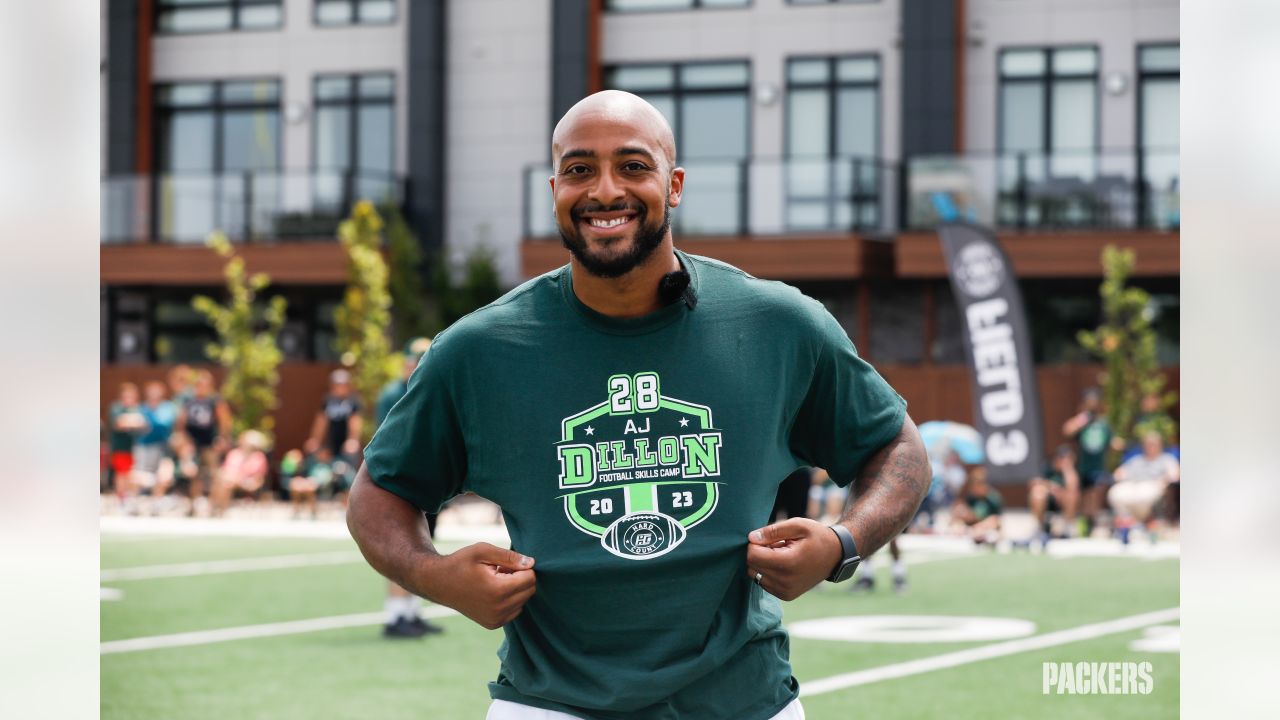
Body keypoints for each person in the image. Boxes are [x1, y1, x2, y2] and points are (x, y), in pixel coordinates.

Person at [346, 90, 931, 720]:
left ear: (673, 184)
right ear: (554, 191)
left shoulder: (777, 324)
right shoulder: (479, 350)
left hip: (746, 702)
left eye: (632, 166)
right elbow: (379, 494)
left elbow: (897, 449)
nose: (603, 191)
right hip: (551, 704)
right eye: (578, 170)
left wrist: (842, 543)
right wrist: (433, 577)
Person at [375, 338, 443, 639]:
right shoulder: (395, 393)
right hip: (404, 481)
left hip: (424, 480)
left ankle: (410, 611)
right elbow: (392, 440)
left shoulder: (422, 389)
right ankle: (395, 615)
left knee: (422, 547)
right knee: (403, 548)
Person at [1108, 431, 1180, 544]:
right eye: (1147, 444)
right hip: (1132, 485)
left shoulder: (1167, 459)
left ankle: (1141, 522)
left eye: (1152, 444)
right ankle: (1126, 524)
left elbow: (1175, 474)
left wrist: (1164, 480)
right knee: (1116, 493)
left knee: (1143, 494)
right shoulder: (1137, 459)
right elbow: (1121, 472)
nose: (1149, 447)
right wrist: (1119, 475)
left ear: (1160, 445)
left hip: (1153, 485)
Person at [175, 370, 232, 509]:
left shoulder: (214, 400)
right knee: (194, 473)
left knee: (214, 474)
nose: (201, 386)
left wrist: (222, 438)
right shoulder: (188, 399)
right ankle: (193, 504)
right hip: (193, 441)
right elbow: (181, 421)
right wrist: (183, 438)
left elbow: (224, 420)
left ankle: (214, 505)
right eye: (199, 384)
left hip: (210, 441)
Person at [1061, 388, 1114, 536]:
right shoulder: (1081, 422)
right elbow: (1067, 431)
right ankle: (1080, 523)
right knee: (1080, 495)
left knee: (1094, 494)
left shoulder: (1104, 424)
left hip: (1098, 466)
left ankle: (1091, 522)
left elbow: (1110, 443)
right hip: (1082, 466)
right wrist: (1081, 419)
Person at [132, 381, 178, 504]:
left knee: (164, 475)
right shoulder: (142, 407)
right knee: (139, 475)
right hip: (143, 446)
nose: (153, 395)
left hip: (162, 446)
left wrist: (146, 422)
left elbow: (164, 423)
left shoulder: (167, 407)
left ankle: (157, 502)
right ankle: (136, 503)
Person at [306, 369, 363, 461]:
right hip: (332, 442)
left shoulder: (353, 401)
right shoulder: (328, 401)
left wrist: (353, 439)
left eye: (342, 385)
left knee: (349, 459)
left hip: (346, 444)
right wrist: (315, 440)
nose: (340, 387)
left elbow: (355, 422)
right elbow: (321, 422)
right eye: (337, 384)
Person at [210, 430, 270, 516]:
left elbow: (259, 477)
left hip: (249, 482)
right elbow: (227, 469)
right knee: (223, 480)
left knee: (224, 482)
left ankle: (219, 509)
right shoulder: (234, 453)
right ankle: (219, 508)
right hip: (232, 480)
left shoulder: (259, 457)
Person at [1028, 444, 1080, 540]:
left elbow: (1073, 487)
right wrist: (1050, 487)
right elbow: (1034, 482)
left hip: (1064, 503)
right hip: (1048, 501)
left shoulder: (1073, 470)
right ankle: (1040, 527)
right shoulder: (1046, 467)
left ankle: (1068, 527)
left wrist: (1067, 470)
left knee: (1072, 495)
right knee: (1037, 493)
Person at [106, 382, 145, 502]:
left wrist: (131, 421)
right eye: (126, 396)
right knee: (121, 473)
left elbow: (143, 424)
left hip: (135, 448)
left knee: (132, 474)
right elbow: (118, 423)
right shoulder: (116, 408)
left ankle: (129, 498)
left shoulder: (136, 409)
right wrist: (133, 421)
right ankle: (120, 498)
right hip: (120, 448)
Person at [950, 466, 1003, 545]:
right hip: (971, 526)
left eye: (980, 484)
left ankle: (974, 533)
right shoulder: (971, 498)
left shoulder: (993, 498)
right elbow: (965, 514)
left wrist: (977, 523)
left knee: (993, 521)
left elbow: (996, 520)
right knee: (958, 518)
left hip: (986, 526)